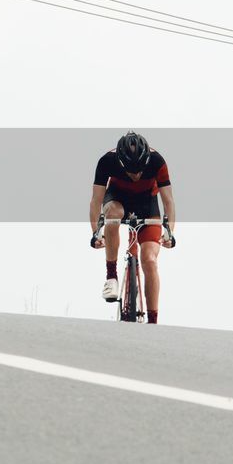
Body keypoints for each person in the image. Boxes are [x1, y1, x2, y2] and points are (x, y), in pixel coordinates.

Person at [90, 131, 176, 324]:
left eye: (139, 171)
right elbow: (96, 201)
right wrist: (96, 232)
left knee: (150, 260)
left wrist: (169, 232)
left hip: (147, 204)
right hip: (118, 199)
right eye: (130, 171)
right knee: (112, 215)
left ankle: (153, 322)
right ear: (120, 163)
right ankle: (111, 276)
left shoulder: (157, 161)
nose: (135, 176)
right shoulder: (107, 161)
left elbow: (169, 202)